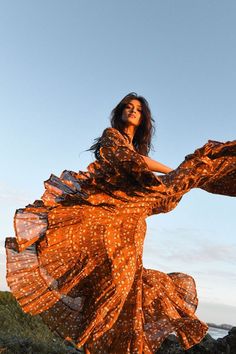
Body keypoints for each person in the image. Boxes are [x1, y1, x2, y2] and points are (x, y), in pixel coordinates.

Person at [5, 92, 236, 353]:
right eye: (127, 107)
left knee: (128, 289)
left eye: (138, 108)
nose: (132, 110)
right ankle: (98, 344)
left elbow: (153, 193)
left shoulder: (137, 162)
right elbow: (131, 161)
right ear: (120, 113)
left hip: (133, 227)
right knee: (112, 287)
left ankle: (117, 347)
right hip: (110, 223)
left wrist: (183, 179)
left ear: (143, 119)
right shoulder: (112, 138)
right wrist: (174, 172)